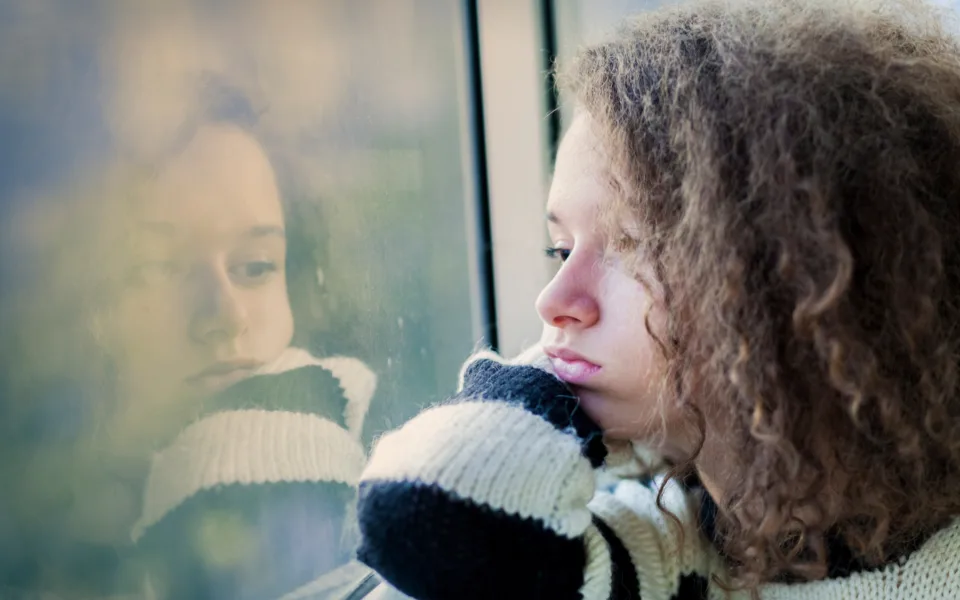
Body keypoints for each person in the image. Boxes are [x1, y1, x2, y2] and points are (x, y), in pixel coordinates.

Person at [353, 0, 960, 598]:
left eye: (634, 244)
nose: (554, 300)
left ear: (796, 278)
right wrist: (544, 386)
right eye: (561, 251)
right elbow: (415, 522)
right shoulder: (659, 554)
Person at [0, 88, 377, 599]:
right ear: (90, 306)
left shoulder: (323, 467)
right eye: (160, 268)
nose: (225, 315)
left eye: (257, 266)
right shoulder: (32, 527)